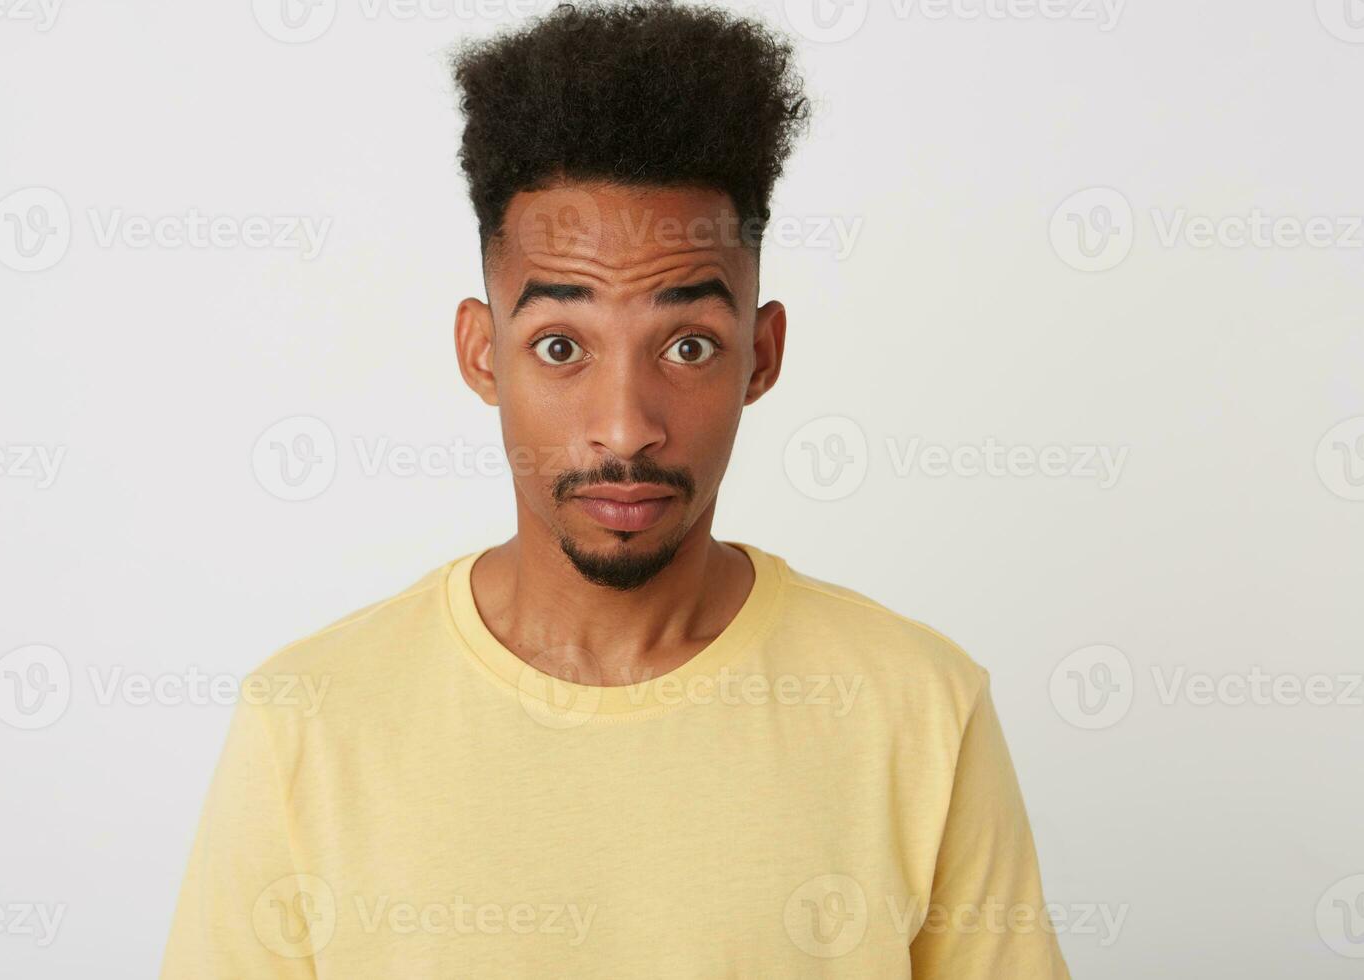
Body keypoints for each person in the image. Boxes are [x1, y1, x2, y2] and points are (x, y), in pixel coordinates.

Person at [159, 1, 1071, 975]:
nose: (627, 425)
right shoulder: (308, 719)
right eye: (561, 345)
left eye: (687, 345)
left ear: (760, 356)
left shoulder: (919, 707)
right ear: (481, 352)